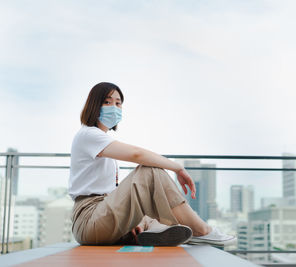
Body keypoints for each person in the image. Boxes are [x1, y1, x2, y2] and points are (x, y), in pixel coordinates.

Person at [68, 82, 235, 247]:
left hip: (101, 213)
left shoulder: (98, 139)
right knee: (149, 171)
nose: (114, 107)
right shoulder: (89, 134)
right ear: (94, 105)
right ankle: (202, 231)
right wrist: (177, 167)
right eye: (107, 102)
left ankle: (151, 230)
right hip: (89, 219)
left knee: (147, 214)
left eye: (118, 103)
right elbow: (137, 155)